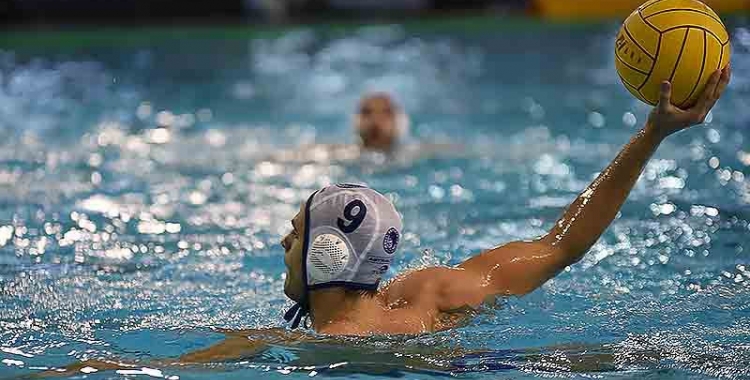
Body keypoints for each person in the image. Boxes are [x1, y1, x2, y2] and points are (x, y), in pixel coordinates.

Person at [43, 68, 731, 374]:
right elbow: (561, 244)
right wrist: (652, 136)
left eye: (294, 236)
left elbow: (147, 367)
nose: (284, 247)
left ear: (328, 258)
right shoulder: (434, 294)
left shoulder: (300, 348)